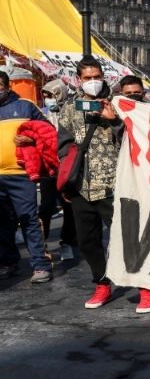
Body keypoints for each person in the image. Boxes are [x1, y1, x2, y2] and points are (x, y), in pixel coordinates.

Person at [58, 58, 150, 310]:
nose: (93, 82)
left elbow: (139, 137)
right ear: (78, 79)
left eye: (97, 76)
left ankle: (145, 288)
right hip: (81, 185)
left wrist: (115, 120)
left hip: (116, 184)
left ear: (104, 76)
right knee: (88, 241)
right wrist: (67, 175)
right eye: (87, 77)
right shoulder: (70, 107)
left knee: (129, 237)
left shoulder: (120, 103)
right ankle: (102, 284)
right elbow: (63, 144)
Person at [0, 70, 54, 282]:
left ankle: (41, 265)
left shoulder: (25, 106)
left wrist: (31, 139)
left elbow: (47, 130)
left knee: (29, 220)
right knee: (2, 222)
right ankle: (7, 262)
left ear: (7, 86)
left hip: (21, 174)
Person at [37, 79, 77, 261]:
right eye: (45, 96)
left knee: (68, 207)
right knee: (45, 207)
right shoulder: (41, 115)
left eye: (51, 96)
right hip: (48, 169)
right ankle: (41, 243)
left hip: (67, 167)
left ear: (60, 94)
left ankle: (67, 242)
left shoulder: (71, 112)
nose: (48, 100)